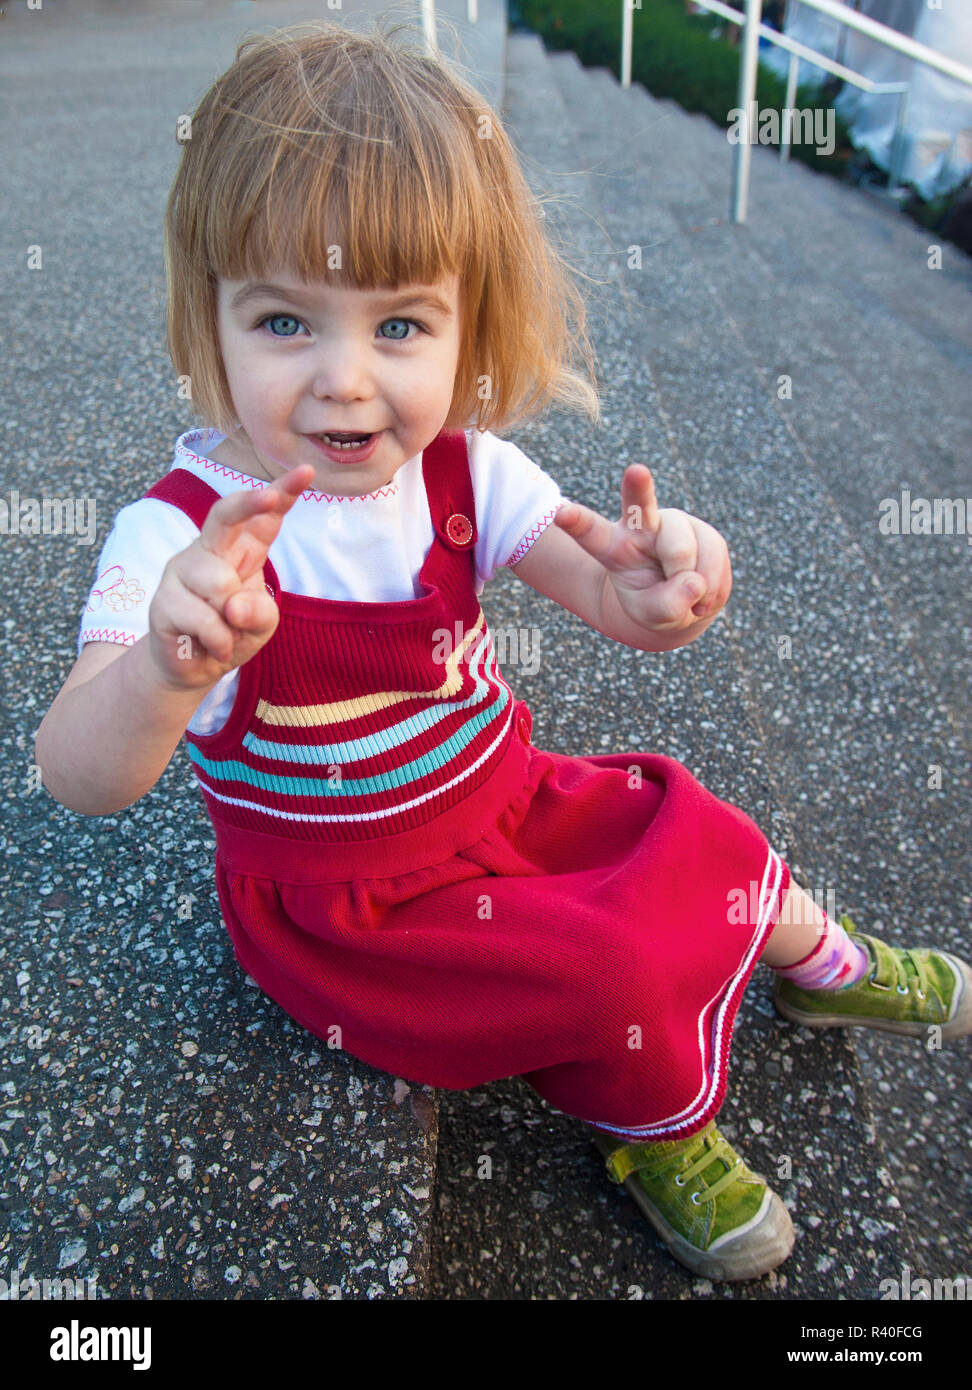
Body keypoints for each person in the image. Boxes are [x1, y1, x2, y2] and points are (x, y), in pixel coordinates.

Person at [35, 19, 971, 1285]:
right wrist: (163, 668)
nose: (345, 383)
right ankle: (657, 1127)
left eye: (402, 327)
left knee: (707, 829)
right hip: (357, 902)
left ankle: (816, 960)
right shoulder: (177, 536)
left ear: (472, 319)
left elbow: (613, 596)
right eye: (284, 321)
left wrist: (674, 581)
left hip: (507, 800)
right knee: (609, 964)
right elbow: (77, 770)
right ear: (206, 308)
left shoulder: (467, 470)